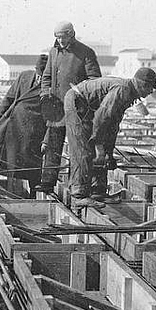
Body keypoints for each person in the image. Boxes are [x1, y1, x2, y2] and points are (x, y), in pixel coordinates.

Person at [63, 68, 156, 207]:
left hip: (87, 107)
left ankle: (97, 192)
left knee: (100, 153)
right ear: (142, 84)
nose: (151, 92)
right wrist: (98, 145)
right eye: (150, 88)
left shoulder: (129, 93)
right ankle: (79, 195)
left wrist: (109, 152)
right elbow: (102, 117)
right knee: (83, 150)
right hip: (77, 102)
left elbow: (112, 125)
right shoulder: (123, 90)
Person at [39, 21, 101, 193]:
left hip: (77, 109)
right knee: (52, 145)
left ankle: (78, 185)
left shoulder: (85, 53)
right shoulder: (53, 52)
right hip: (56, 108)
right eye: (57, 38)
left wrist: (80, 95)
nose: (60, 41)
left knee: (78, 149)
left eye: (63, 37)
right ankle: (48, 182)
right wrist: (45, 94)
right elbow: (47, 77)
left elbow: (94, 80)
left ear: (72, 34)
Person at [0, 54, 48, 196]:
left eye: (44, 73)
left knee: (31, 161)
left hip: (33, 129)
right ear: (35, 69)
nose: (40, 76)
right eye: (39, 72)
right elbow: (9, 98)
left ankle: (34, 193)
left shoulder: (51, 86)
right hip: (11, 121)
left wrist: (46, 140)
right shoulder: (24, 76)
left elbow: (52, 117)